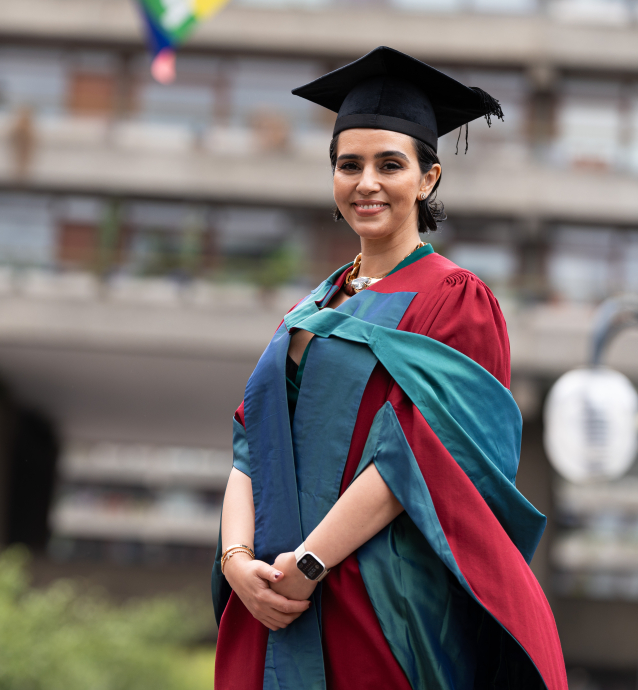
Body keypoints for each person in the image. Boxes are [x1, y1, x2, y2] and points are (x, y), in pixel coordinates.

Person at [212, 46, 567, 690]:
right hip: (269, 595)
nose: (366, 183)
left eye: (390, 164)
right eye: (349, 165)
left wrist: (312, 564)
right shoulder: (311, 305)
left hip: (372, 597)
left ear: (428, 178)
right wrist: (238, 562)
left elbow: (423, 452)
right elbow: (251, 442)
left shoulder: (455, 299)